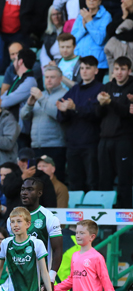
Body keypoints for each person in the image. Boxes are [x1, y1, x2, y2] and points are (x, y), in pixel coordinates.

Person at [55, 55, 102, 194]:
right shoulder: (74, 90)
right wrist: (63, 111)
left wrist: (75, 108)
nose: (84, 71)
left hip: (91, 144)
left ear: (96, 71)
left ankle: (93, 214)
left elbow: (96, 113)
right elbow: (61, 116)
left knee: (92, 182)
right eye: (82, 68)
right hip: (73, 145)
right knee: (75, 183)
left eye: (88, 68)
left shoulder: (101, 89)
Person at [20, 66, 68, 183]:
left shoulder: (65, 94)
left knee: (55, 181)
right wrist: (29, 104)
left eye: (52, 77)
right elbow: (23, 116)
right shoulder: (41, 95)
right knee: (38, 182)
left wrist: (41, 99)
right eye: (46, 77)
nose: (49, 80)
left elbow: (57, 114)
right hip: (37, 146)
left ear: (60, 79)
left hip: (55, 146)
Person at [96, 56, 133, 209]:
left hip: (124, 140)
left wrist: (111, 102)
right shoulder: (107, 87)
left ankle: (124, 221)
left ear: (129, 71)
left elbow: (127, 113)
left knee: (124, 180)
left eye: (123, 69)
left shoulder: (131, 88)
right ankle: (104, 220)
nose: (119, 73)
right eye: (116, 69)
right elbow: (98, 114)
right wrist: (102, 104)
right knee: (104, 179)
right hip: (104, 139)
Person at [72, 0, 111, 71]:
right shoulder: (81, 15)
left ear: (100, 1)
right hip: (79, 61)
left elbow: (100, 39)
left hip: (97, 63)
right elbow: (72, 39)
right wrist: (83, 28)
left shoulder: (106, 16)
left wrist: (89, 21)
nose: (91, 0)